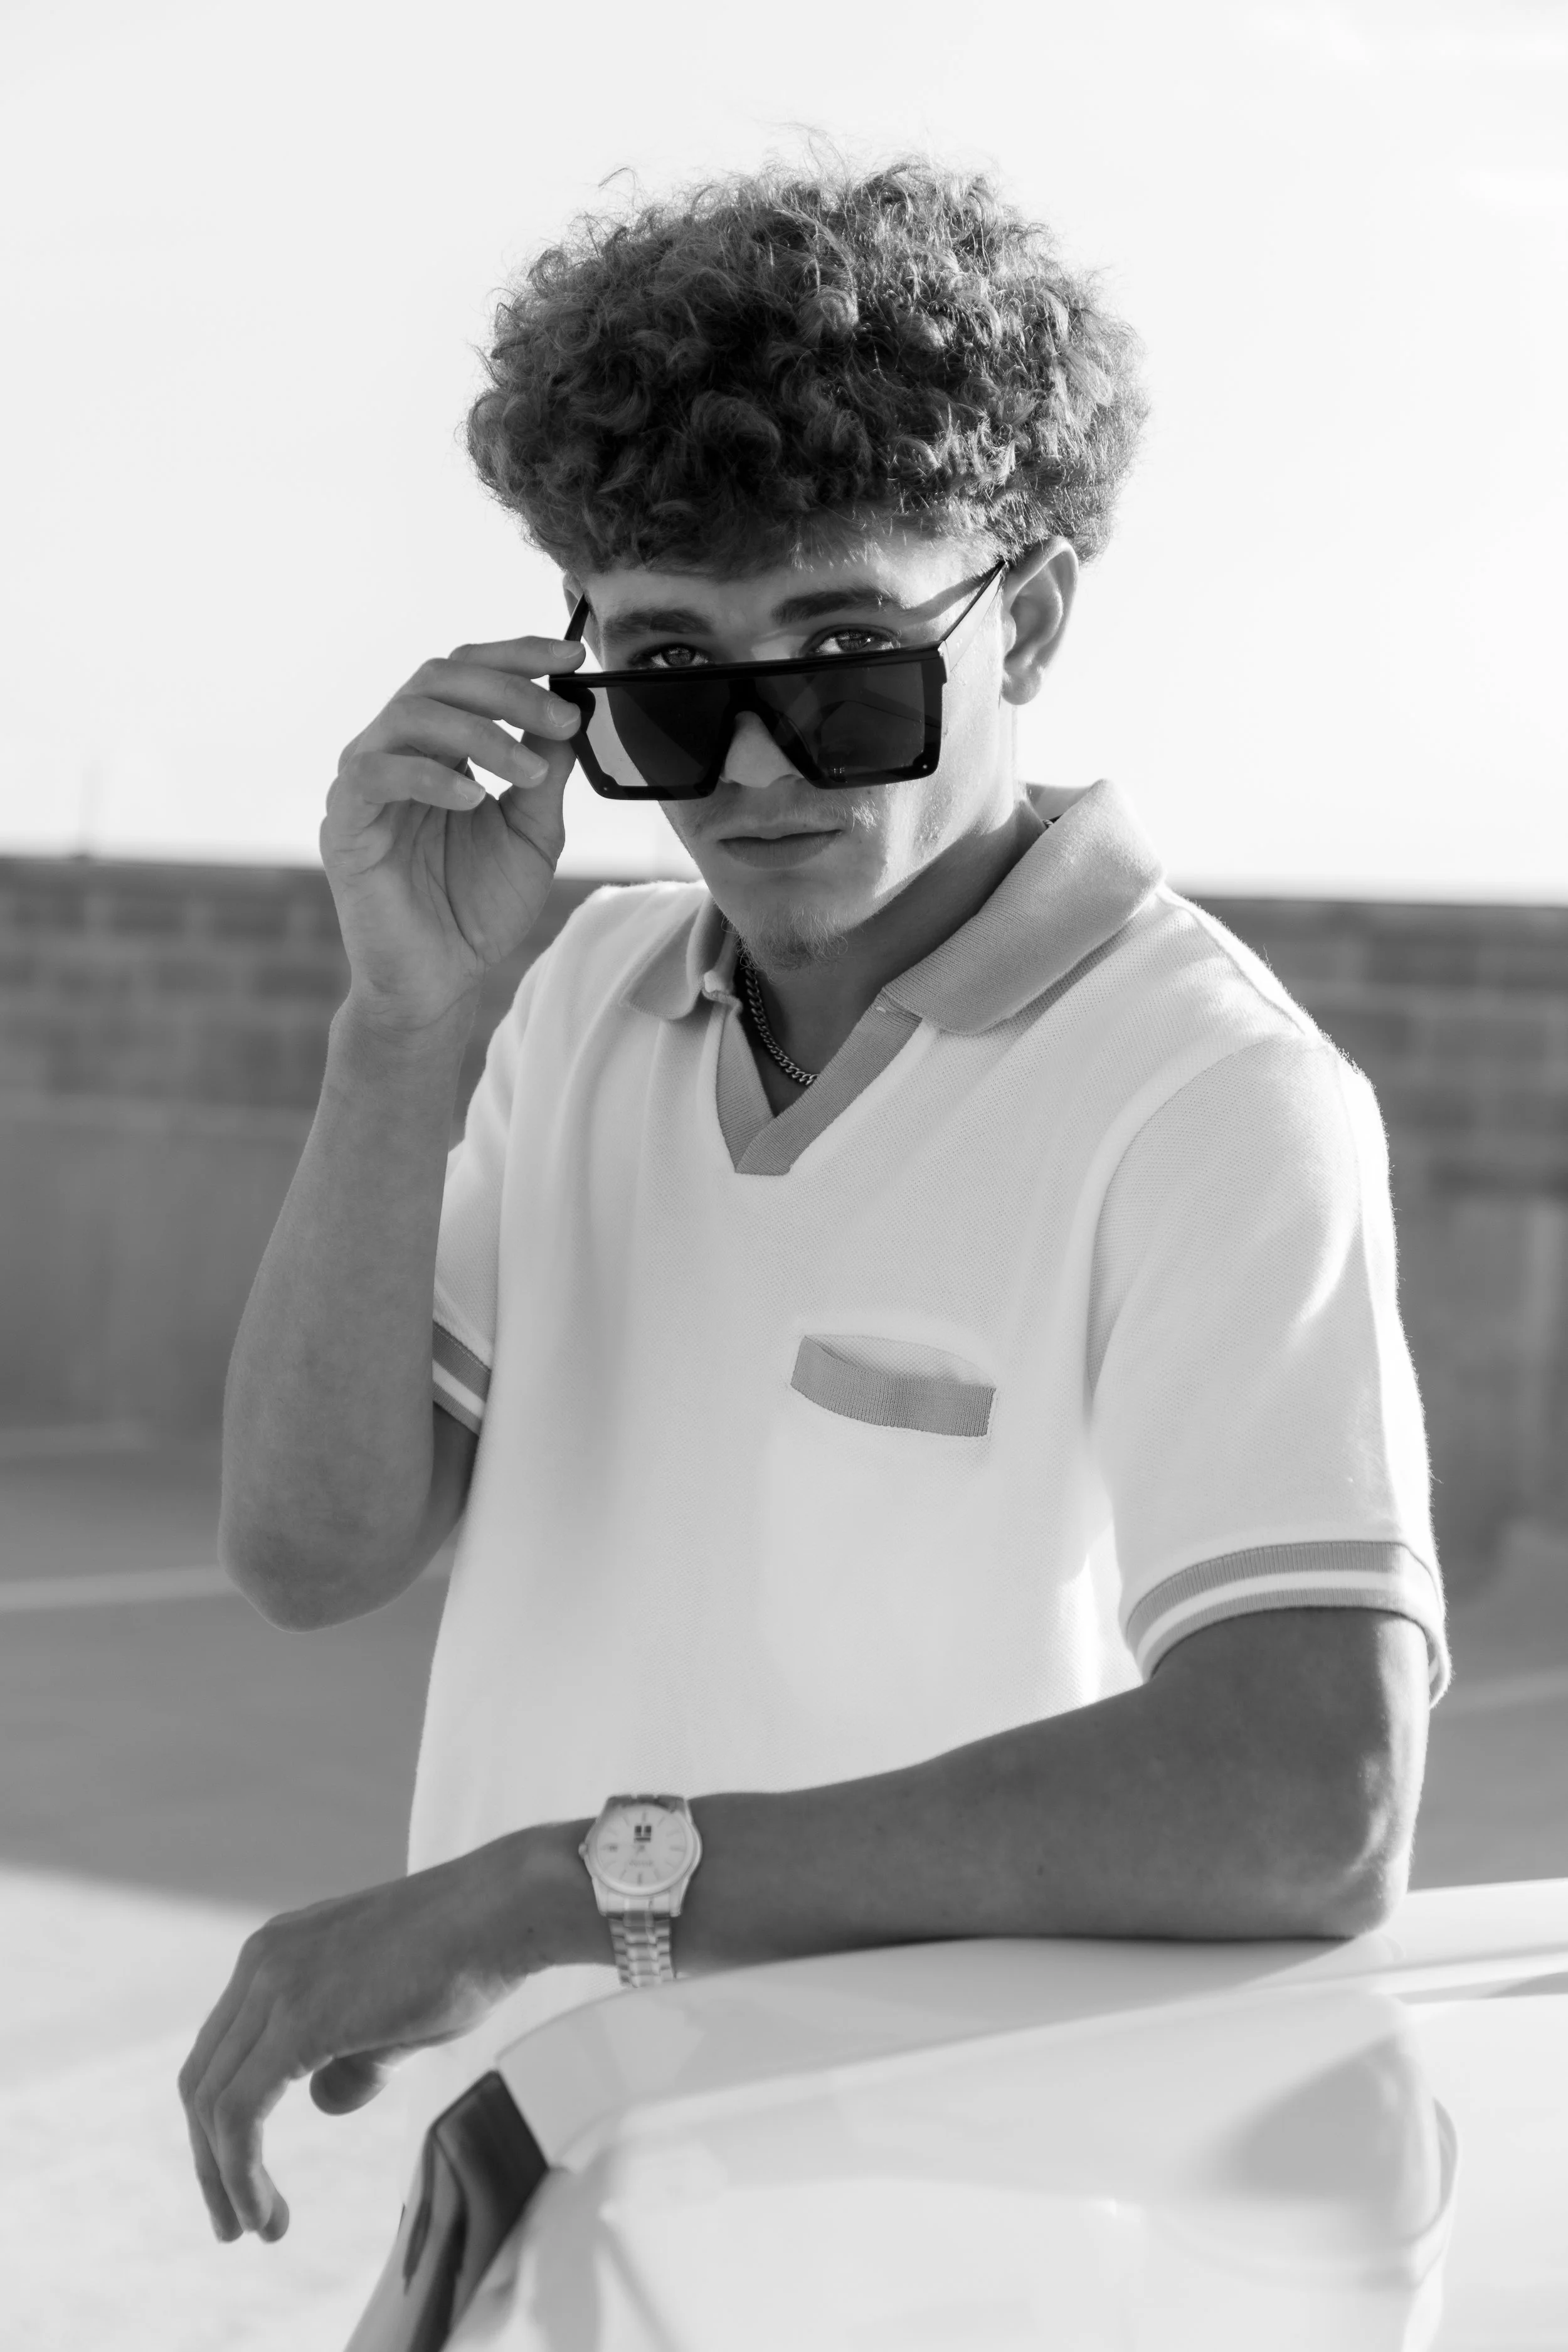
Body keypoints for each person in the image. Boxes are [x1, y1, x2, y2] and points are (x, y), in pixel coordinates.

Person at [178, 148, 1449, 2249]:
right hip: (550, 2210)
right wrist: (398, 1032)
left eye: (845, 659)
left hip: (941, 2255)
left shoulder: (1208, 1093)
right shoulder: (564, 998)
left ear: (1024, 613)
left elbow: (1312, 1795)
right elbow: (311, 1549)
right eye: (670, 683)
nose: (758, 770)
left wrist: (565, 1887)